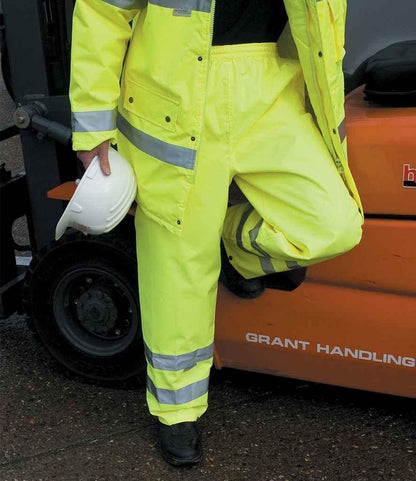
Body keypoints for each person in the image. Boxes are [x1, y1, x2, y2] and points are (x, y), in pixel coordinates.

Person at [70, 0, 364, 467]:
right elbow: (102, 10)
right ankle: (176, 411)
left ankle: (229, 245)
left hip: (273, 87)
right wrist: (92, 127)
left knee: (333, 224)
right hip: (173, 98)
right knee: (175, 268)